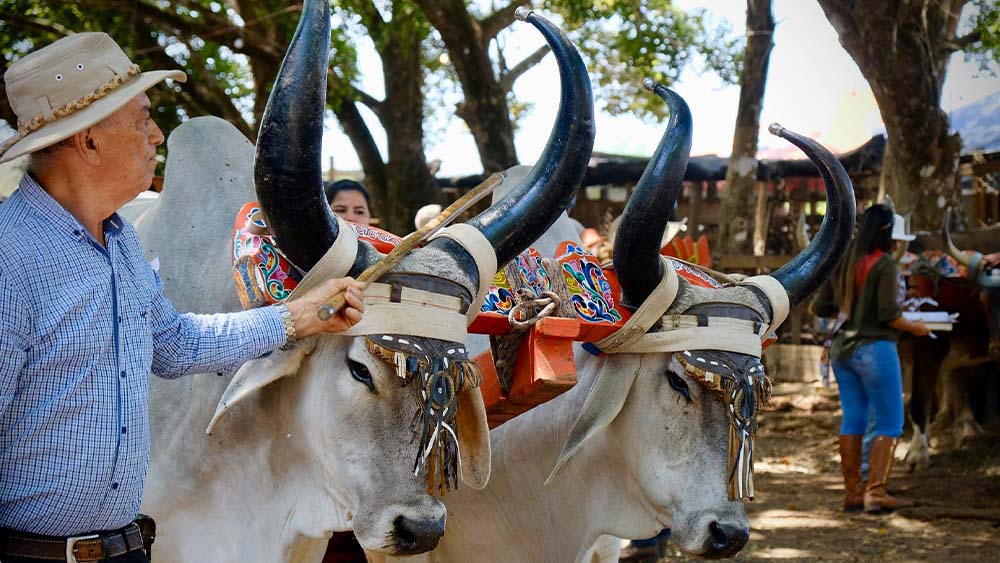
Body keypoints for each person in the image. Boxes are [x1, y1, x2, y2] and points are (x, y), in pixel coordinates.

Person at [0, 33, 365, 563]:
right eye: (141, 119)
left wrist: (297, 318)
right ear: (88, 142)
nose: (157, 134)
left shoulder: (119, 241)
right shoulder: (10, 256)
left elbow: (176, 344)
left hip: (121, 549)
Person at [812, 204, 930, 514]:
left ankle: (854, 493)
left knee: (854, 417)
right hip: (875, 350)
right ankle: (876, 493)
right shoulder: (885, 265)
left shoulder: (843, 262)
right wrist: (917, 327)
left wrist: (851, 307)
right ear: (887, 233)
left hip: (842, 350)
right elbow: (889, 315)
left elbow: (820, 308)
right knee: (890, 421)